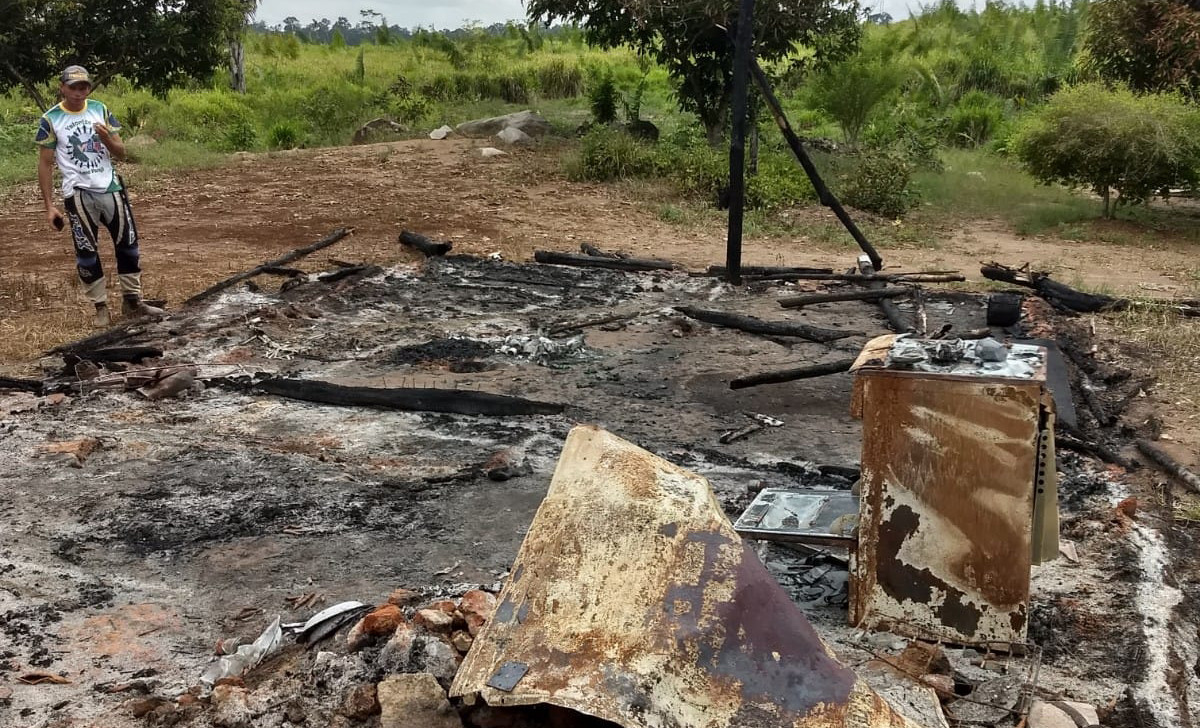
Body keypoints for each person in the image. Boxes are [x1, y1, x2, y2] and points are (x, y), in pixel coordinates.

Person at [36, 65, 163, 327]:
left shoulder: (100, 109)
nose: (79, 92)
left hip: (110, 188)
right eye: (73, 87)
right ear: (62, 88)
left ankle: (133, 302)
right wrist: (49, 206)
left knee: (128, 245)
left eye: (83, 86)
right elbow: (45, 164)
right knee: (87, 252)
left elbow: (121, 153)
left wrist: (106, 139)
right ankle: (100, 307)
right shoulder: (51, 119)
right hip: (78, 193)